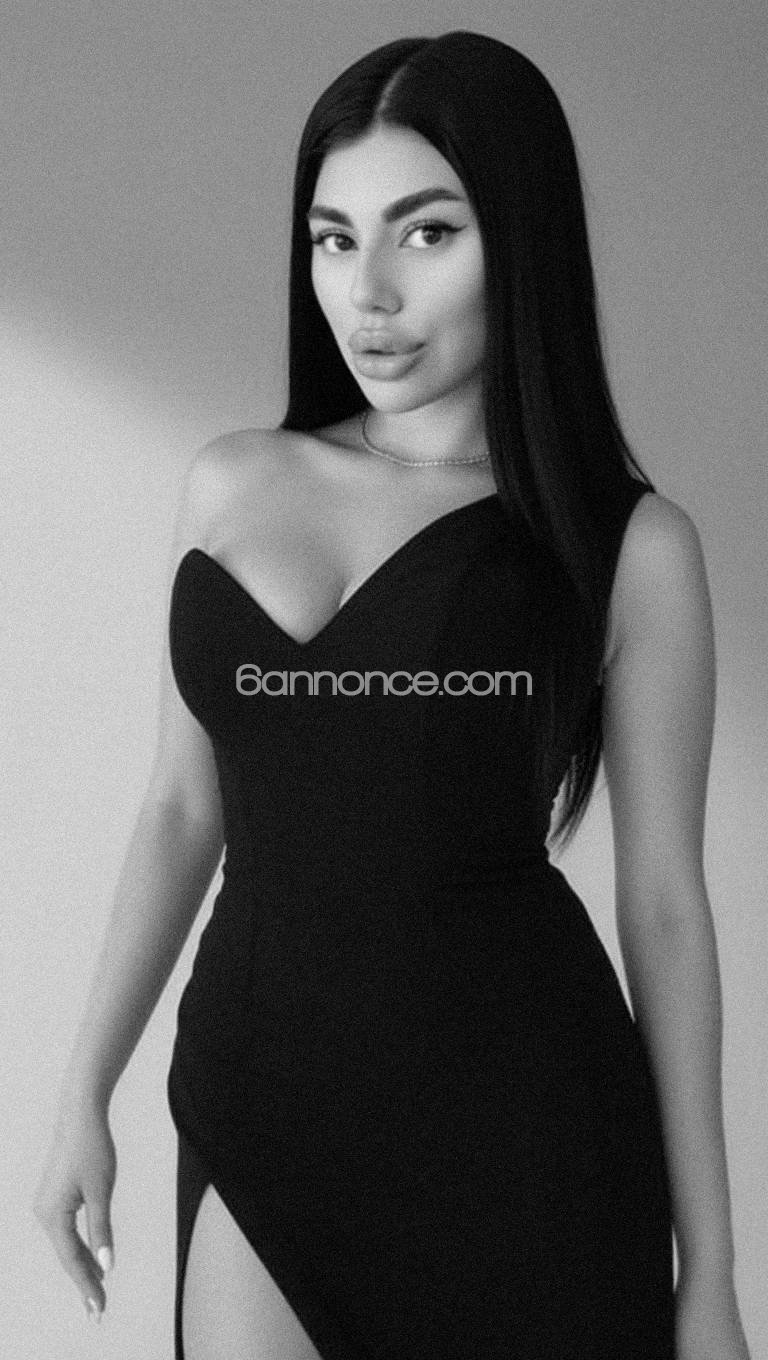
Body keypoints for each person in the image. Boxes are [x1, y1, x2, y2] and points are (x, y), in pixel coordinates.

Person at [33, 30, 751, 1360]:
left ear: (520, 242)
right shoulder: (232, 483)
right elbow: (182, 808)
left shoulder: (629, 549)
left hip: (525, 1127)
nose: (367, 292)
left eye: (426, 234)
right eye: (332, 238)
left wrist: (709, 1270)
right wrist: (84, 1088)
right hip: (259, 1098)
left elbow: (663, 904)